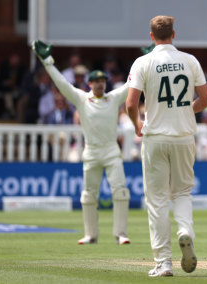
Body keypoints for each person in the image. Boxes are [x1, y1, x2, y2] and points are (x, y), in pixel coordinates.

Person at [125, 15, 207, 277]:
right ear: (173, 34)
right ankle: (185, 231)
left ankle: (163, 261)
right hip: (184, 136)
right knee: (183, 192)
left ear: (151, 36)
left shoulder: (144, 62)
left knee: (157, 200)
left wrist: (137, 123)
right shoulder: (189, 60)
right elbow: (206, 99)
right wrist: (187, 111)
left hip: (155, 137)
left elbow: (130, 103)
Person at [31, 40, 132, 245]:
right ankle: (90, 234)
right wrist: (47, 61)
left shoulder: (113, 98)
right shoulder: (81, 99)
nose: (100, 84)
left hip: (112, 151)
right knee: (88, 196)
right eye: (96, 81)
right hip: (92, 152)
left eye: (102, 81)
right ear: (90, 84)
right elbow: (61, 83)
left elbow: (132, 83)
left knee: (120, 193)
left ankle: (121, 234)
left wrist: (148, 59)